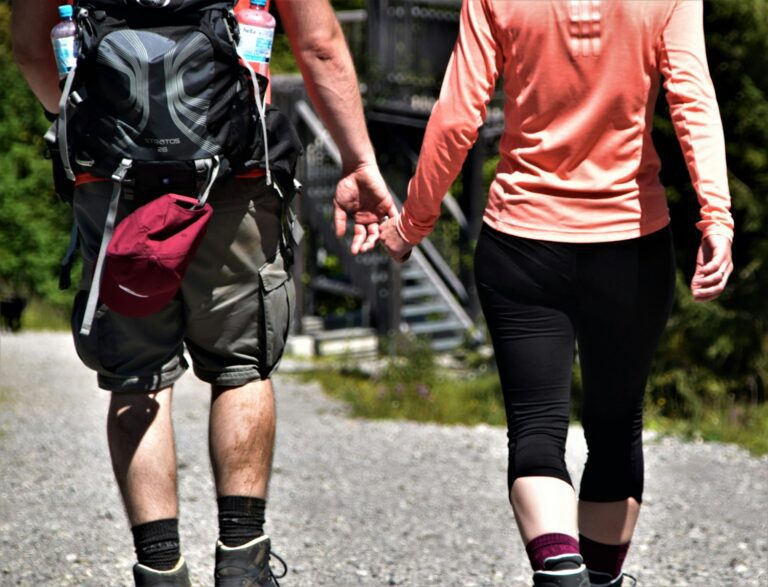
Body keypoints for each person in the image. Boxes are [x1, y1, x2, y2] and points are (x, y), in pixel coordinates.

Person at [12, 1, 397, 586]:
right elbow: (318, 44)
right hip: (233, 174)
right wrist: (358, 160)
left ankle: (160, 567)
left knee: (137, 375)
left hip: (112, 181)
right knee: (241, 364)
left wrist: (94, 124)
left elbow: (32, 48)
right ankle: (243, 561)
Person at [380, 1, 733, 586]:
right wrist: (715, 220)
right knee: (617, 427)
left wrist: (411, 224)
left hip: (521, 241)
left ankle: (560, 575)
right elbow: (693, 100)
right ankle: (596, 580)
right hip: (630, 243)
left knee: (538, 430)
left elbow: (457, 116)